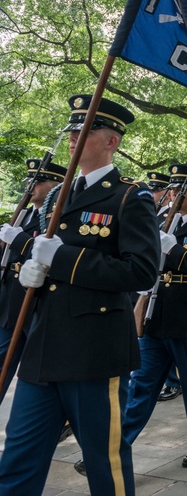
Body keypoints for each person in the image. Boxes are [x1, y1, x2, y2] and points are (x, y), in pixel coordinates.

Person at [0, 94, 160, 496]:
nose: (73, 138)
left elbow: (141, 272)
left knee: (104, 465)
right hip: (42, 347)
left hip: (93, 350)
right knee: (17, 461)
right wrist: (31, 272)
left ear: (112, 141)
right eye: (72, 129)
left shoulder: (129, 196)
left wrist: (62, 258)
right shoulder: (57, 196)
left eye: (86, 129)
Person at [76, 164, 187, 477]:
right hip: (153, 316)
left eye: (182, 187)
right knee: (142, 385)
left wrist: (174, 250)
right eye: (172, 186)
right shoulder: (156, 219)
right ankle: (118, 444)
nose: (173, 191)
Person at [0, 159, 67, 400]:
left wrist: (18, 239)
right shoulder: (23, 215)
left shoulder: (57, 218)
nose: (32, 187)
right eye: (30, 181)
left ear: (56, 186)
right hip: (9, 304)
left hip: (37, 304)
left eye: (38, 182)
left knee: (40, 374)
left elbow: (51, 255)